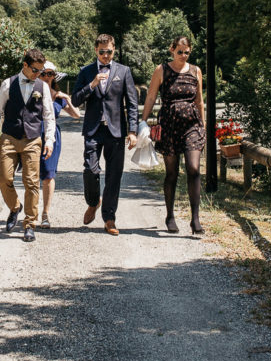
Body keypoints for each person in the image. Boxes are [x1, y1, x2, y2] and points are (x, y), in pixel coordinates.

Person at [0, 49, 56, 243]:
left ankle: (30, 224)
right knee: (3, 177)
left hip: (32, 139)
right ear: (24, 65)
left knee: (31, 183)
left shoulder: (43, 87)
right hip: (9, 136)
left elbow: (48, 116)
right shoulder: (8, 83)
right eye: (35, 70)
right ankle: (15, 207)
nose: (38, 74)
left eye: (41, 71)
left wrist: (49, 140)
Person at [72, 34, 138, 235]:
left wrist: (133, 131)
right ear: (95, 50)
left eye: (109, 51)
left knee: (114, 176)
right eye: (102, 52)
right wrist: (91, 85)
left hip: (116, 131)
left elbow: (132, 103)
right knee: (90, 170)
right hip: (93, 130)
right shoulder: (86, 71)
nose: (106, 55)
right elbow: (74, 100)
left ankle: (109, 218)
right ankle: (93, 202)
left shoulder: (124, 71)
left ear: (114, 50)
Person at [140, 37, 205, 234]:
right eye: (180, 52)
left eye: (187, 52)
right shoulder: (162, 70)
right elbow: (151, 96)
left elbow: (199, 100)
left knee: (193, 169)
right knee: (172, 172)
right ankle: (170, 215)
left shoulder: (196, 71)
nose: (183, 56)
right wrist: (142, 121)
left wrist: (202, 125)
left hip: (191, 125)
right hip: (169, 124)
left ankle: (195, 219)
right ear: (172, 50)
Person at [37, 61, 81, 229]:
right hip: (34, 134)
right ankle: (31, 211)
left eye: (50, 74)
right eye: (43, 74)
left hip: (52, 136)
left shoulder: (58, 95)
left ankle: (45, 213)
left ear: (54, 77)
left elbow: (76, 114)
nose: (47, 77)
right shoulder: (33, 92)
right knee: (32, 175)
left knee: (49, 174)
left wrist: (68, 99)